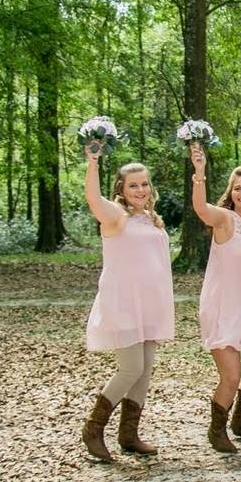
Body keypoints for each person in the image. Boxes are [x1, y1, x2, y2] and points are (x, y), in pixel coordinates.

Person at [80, 147, 174, 463]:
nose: (140, 190)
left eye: (145, 184)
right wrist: (92, 162)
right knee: (130, 367)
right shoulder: (116, 217)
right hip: (123, 302)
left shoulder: (151, 218)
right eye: (133, 185)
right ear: (121, 189)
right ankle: (93, 429)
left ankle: (129, 434)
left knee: (145, 370)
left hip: (149, 304)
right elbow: (93, 199)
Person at [190, 143, 241, 453]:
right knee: (231, 375)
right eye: (238, 188)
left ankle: (240, 422)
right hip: (222, 306)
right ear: (232, 191)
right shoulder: (224, 219)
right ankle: (217, 430)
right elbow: (201, 209)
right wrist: (200, 173)